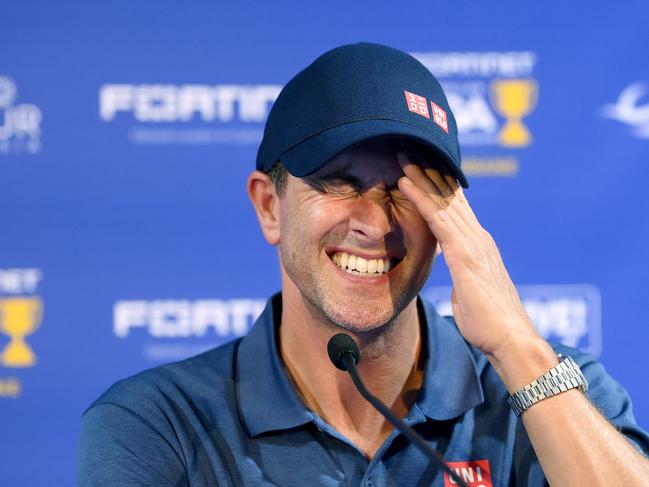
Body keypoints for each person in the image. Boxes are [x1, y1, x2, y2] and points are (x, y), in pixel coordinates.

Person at [78, 42, 649, 486]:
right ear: (270, 206)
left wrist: (518, 347)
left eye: (410, 189)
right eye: (340, 182)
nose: (375, 224)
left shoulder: (551, 390)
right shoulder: (158, 421)